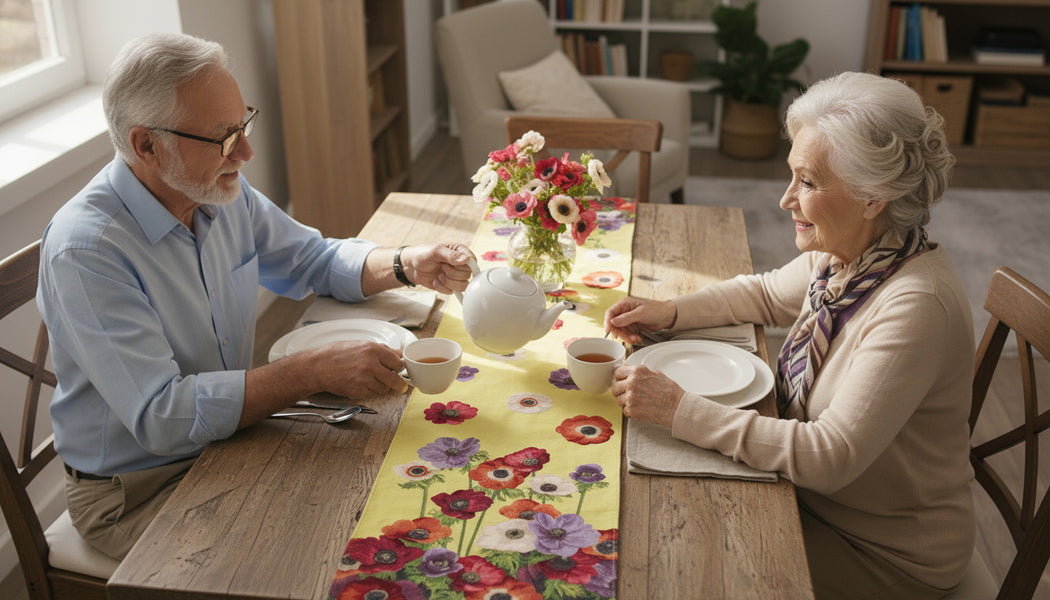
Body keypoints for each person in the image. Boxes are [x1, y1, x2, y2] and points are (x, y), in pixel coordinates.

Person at [36, 32, 475, 560]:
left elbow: (310, 259)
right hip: (137, 490)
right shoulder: (87, 251)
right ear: (146, 145)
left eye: (243, 124)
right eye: (223, 138)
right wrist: (310, 372)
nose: (245, 151)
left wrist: (405, 263)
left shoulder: (216, 188)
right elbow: (163, 416)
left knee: (396, 493)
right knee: (314, 552)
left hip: (231, 438)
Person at [604, 72, 974, 599]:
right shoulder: (856, 254)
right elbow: (763, 293)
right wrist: (668, 311)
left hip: (882, 551)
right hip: (811, 501)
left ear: (873, 197)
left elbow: (829, 455)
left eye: (808, 181)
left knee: (677, 575)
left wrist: (679, 409)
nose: (785, 200)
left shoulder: (915, 306)